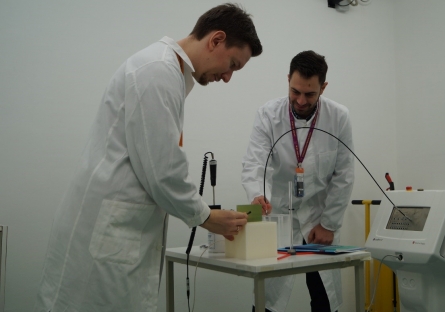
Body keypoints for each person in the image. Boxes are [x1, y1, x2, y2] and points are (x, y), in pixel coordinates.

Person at [34, 3, 262, 312]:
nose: (227, 77)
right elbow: (163, 170)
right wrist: (206, 216)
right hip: (108, 234)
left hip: (120, 231)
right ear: (216, 40)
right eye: (233, 64)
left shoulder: (167, 72)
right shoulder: (156, 71)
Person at [242, 50, 355, 312]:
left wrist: (329, 223)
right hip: (279, 216)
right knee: (268, 298)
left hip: (319, 219)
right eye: (295, 91)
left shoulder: (339, 117)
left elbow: (344, 174)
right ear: (288, 80)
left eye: (310, 94)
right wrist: (258, 195)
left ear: (323, 87)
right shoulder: (268, 115)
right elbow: (256, 162)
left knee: (324, 296)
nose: (301, 100)